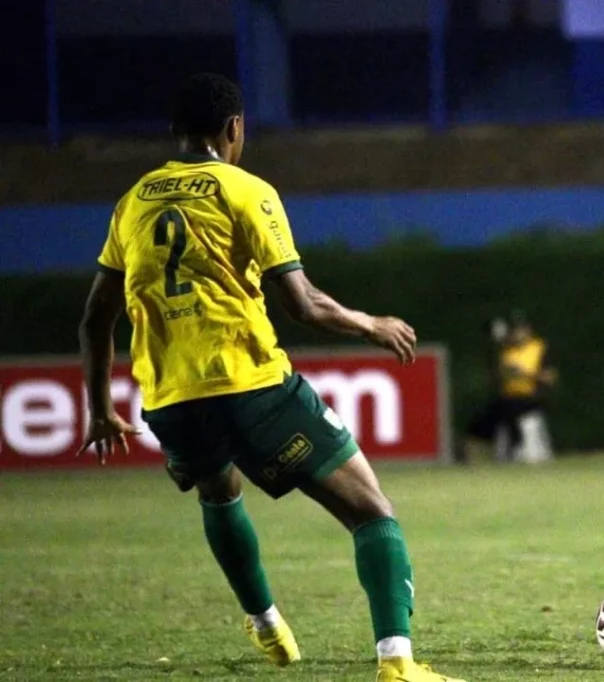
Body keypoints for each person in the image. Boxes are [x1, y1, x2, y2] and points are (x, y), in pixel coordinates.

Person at [76, 73, 465, 682]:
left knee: (218, 492)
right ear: (235, 129)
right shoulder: (245, 189)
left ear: (174, 131)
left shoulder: (133, 201)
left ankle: (266, 625)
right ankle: (398, 662)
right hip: (251, 384)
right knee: (371, 511)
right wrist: (370, 323)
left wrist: (99, 409)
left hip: (170, 399)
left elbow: (94, 319)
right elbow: (302, 303)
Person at [458, 311, 556, 463]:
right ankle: (481, 454)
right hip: (508, 400)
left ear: (528, 329)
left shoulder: (539, 348)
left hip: (530, 400)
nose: (516, 333)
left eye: (520, 329)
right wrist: (503, 372)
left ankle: (522, 451)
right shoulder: (506, 350)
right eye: (514, 330)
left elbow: (549, 378)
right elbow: (495, 377)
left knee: (529, 443)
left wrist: (524, 373)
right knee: (488, 420)